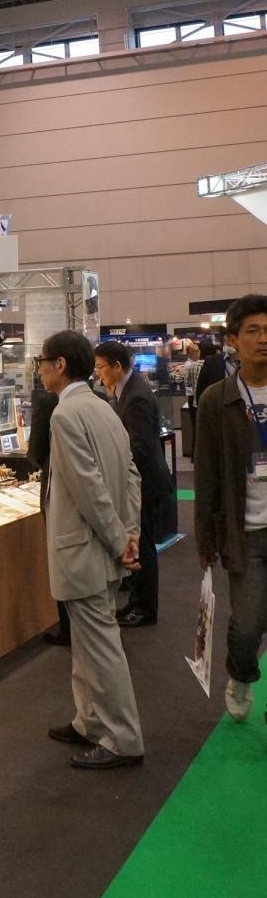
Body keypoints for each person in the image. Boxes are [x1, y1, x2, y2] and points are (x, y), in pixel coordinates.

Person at [38, 330, 145, 770]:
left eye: (42, 361)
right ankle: (90, 721)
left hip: (86, 550)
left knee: (100, 647)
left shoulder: (66, 415)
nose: (40, 370)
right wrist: (129, 533)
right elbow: (131, 476)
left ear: (60, 364)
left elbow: (88, 488)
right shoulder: (103, 407)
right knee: (87, 644)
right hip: (103, 546)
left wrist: (121, 541)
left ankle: (122, 738)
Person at [194, 293, 267, 725]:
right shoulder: (216, 400)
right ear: (234, 340)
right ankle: (240, 673)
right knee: (248, 624)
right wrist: (206, 538)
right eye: (253, 331)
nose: (263, 339)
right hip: (246, 533)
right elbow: (206, 475)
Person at [94, 341, 173, 628]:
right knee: (138, 542)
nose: (98, 374)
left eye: (101, 367)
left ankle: (144, 608)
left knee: (144, 546)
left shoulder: (136, 396)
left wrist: (113, 465)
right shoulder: (125, 390)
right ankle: (136, 601)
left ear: (117, 366)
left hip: (146, 483)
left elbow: (138, 446)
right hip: (140, 481)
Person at [29, 383, 69, 647]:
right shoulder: (98, 399)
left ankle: (68, 627)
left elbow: (36, 452)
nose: (41, 372)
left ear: (60, 365)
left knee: (61, 560)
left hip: (56, 492)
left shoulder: (47, 404)